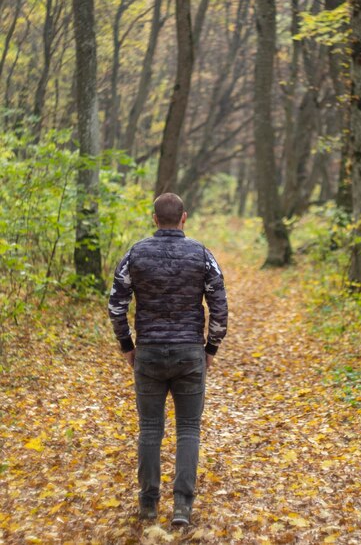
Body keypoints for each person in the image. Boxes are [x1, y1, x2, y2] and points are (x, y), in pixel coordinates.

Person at [108, 193, 228, 526]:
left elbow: (116, 305)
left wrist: (126, 346)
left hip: (148, 352)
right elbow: (219, 308)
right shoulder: (202, 255)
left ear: (154, 219)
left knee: (149, 429)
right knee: (188, 430)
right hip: (189, 351)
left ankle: (148, 505)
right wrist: (211, 349)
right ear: (184, 218)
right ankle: (182, 508)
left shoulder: (135, 253)